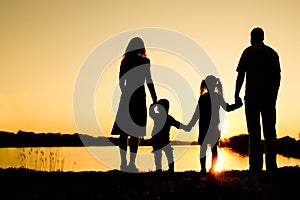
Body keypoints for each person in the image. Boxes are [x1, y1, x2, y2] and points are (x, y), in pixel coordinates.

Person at [234, 27, 281, 173]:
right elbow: (278, 77)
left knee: (254, 133)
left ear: (252, 37)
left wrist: (236, 94)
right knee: (270, 132)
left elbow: (241, 75)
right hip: (268, 98)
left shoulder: (248, 52)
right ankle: (271, 166)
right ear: (263, 37)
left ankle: (255, 167)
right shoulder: (272, 53)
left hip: (252, 98)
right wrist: (274, 95)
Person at [111, 37, 157, 172]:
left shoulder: (125, 61)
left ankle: (124, 163)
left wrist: (125, 92)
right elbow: (149, 81)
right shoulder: (145, 61)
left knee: (124, 133)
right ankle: (131, 163)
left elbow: (121, 81)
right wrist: (154, 98)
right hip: (140, 97)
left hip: (127, 97)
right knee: (135, 132)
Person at [187, 75, 242, 177]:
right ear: (214, 85)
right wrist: (237, 105)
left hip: (205, 126)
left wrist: (190, 125)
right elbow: (228, 108)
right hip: (212, 127)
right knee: (213, 149)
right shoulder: (215, 97)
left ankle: (204, 169)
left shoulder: (203, 98)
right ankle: (211, 169)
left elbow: (196, 113)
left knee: (204, 148)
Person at [149, 99, 187, 173]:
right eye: (166, 107)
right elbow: (177, 124)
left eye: (167, 107)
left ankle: (168, 169)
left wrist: (185, 127)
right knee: (159, 155)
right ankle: (161, 169)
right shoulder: (158, 116)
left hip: (164, 140)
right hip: (158, 140)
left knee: (166, 155)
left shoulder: (164, 117)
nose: (167, 109)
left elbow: (177, 124)